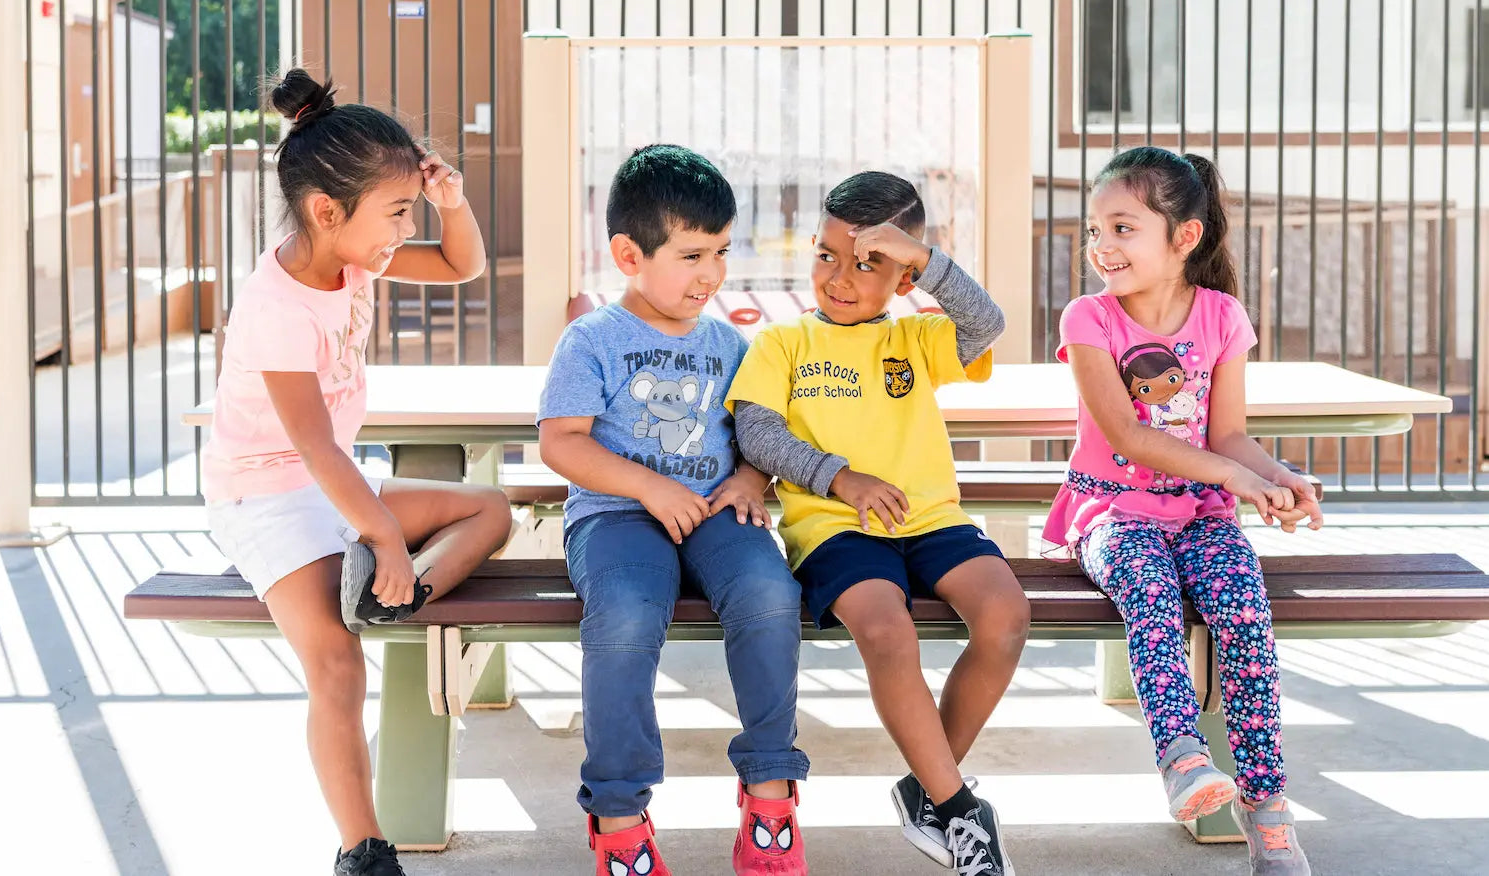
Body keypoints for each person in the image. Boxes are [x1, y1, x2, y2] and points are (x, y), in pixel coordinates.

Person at [201, 69, 515, 876]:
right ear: (326, 211)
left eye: (407, 211)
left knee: (489, 510)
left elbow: (461, 265)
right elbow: (312, 451)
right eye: (397, 213)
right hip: (268, 496)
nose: (401, 230)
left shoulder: (356, 258)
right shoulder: (274, 308)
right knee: (336, 667)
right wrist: (380, 533)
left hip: (335, 487)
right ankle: (363, 847)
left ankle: (387, 595)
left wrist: (447, 200)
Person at [726, 171, 1028, 876]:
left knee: (1006, 617)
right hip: (834, 528)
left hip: (931, 520)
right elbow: (758, 437)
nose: (839, 276)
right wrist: (841, 476)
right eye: (827, 254)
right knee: (888, 631)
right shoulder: (781, 344)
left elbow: (985, 323)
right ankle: (958, 812)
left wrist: (924, 259)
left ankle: (930, 790)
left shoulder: (916, 340)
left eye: (869, 263)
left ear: (902, 278)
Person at [1041, 146, 1321, 875]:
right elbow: (1128, 435)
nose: (1101, 246)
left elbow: (1227, 434)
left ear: (1183, 237)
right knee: (1152, 596)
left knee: (1242, 611)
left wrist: (1280, 477)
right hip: (1110, 511)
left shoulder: (1222, 316)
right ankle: (1183, 760)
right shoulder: (1088, 319)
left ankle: (1267, 807)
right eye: (1095, 228)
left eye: (1123, 228)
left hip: (1200, 513)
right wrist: (1237, 475)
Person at [537, 144, 810, 876]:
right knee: (624, 617)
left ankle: (770, 789)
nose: (711, 275)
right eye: (691, 255)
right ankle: (619, 812)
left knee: (769, 595)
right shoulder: (591, 339)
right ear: (629, 254)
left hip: (719, 515)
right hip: (615, 517)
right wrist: (647, 486)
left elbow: (759, 432)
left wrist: (752, 479)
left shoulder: (729, 342)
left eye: (720, 252)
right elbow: (561, 444)